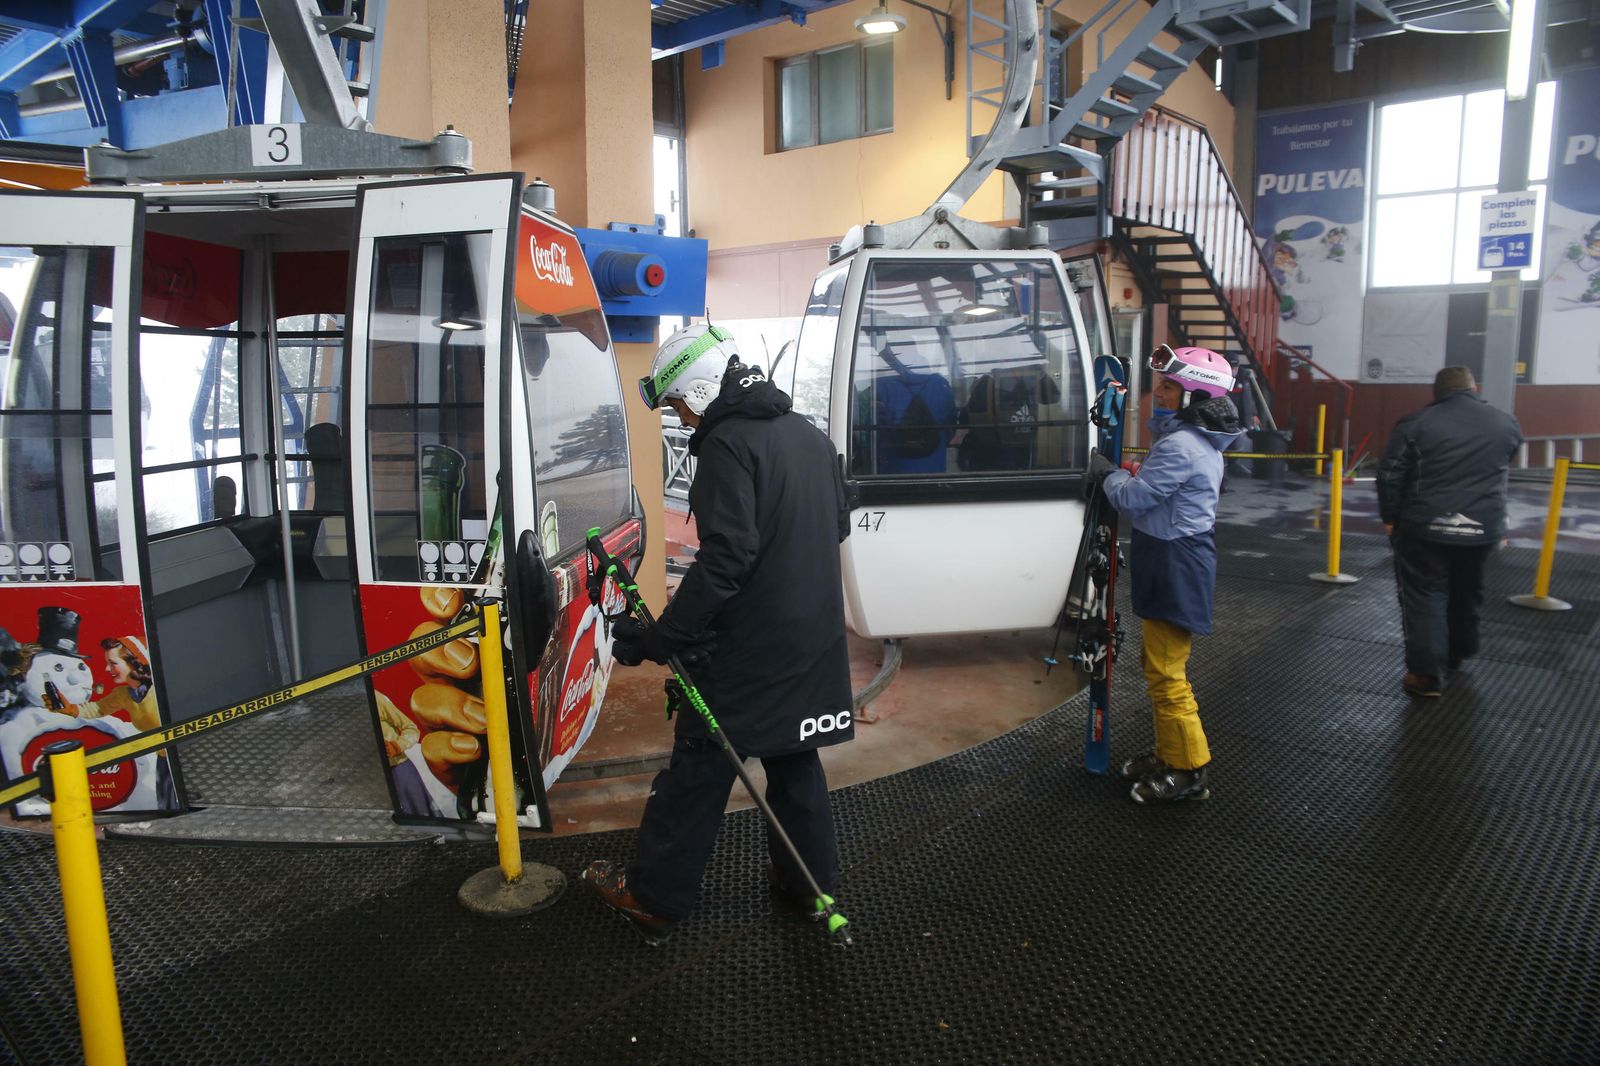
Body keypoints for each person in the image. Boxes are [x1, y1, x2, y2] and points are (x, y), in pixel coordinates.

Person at [582, 323, 854, 944]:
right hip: (810, 642)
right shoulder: (807, 435)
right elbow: (835, 524)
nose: (678, 416)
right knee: (794, 762)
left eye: (678, 402)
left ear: (702, 392)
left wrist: (663, 637)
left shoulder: (728, 445)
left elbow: (727, 559)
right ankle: (811, 889)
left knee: (698, 771)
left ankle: (654, 898)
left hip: (746, 654)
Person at [1086, 345, 1245, 803]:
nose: (1159, 391)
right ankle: (1168, 752)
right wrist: (1133, 474)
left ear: (1195, 395)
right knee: (1158, 668)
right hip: (1173, 557)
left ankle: (1189, 770)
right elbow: (1162, 489)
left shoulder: (1181, 443)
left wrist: (1110, 476)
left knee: (1167, 673)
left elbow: (1135, 501)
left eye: (1170, 385)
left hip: (1176, 563)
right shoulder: (1193, 440)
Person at [1376, 366, 1522, 698]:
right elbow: (1505, 460)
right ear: (1474, 387)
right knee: (1468, 589)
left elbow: (1389, 474)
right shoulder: (1505, 422)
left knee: (1425, 596)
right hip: (1484, 526)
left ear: (1436, 392)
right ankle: (1458, 652)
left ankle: (1426, 676)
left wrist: (1390, 517)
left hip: (1425, 528)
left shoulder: (1416, 423)